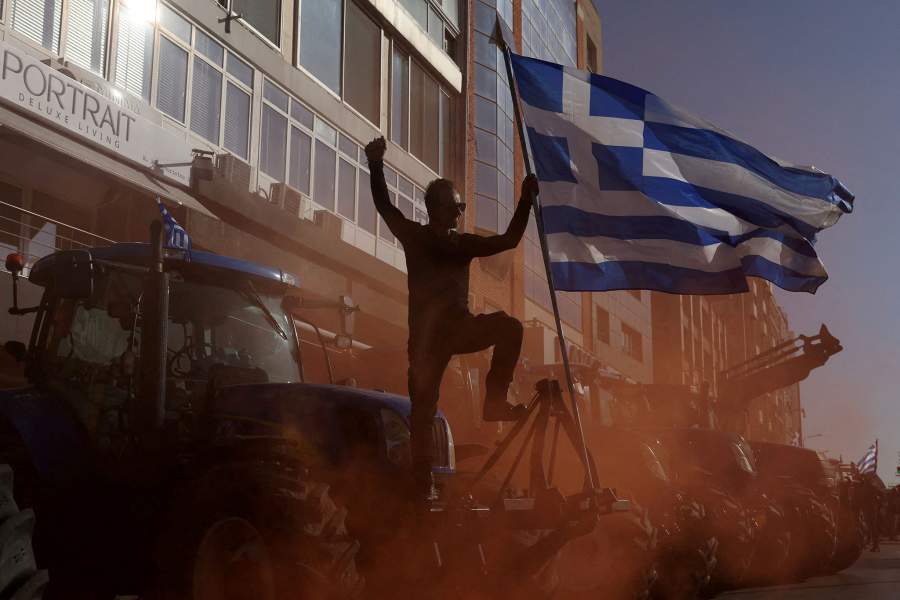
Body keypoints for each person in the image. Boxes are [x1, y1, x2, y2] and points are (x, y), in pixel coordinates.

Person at [364, 136, 537, 501]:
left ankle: (494, 403)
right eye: (457, 206)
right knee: (422, 414)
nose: (460, 213)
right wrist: (375, 163)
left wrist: (525, 203)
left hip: (452, 333)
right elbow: (384, 205)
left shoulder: (458, 244)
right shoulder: (420, 238)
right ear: (438, 208)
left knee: (510, 327)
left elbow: (507, 241)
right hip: (429, 342)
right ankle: (421, 484)